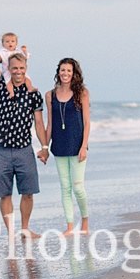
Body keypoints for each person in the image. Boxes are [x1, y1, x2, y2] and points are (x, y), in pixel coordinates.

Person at [0, 51, 49, 239]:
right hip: (1, 150)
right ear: (9, 69)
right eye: (14, 68)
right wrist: (4, 55)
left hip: (24, 150)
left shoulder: (33, 94)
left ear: (26, 69)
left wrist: (44, 148)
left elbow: (38, 123)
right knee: (5, 194)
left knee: (28, 193)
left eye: (21, 68)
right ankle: (10, 232)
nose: (18, 71)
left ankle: (25, 228)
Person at [44, 58, 91, 236]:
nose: (65, 74)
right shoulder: (50, 95)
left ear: (74, 73)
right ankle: (70, 226)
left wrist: (84, 146)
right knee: (65, 187)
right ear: (58, 72)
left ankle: (85, 220)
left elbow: (87, 122)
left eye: (69, 71)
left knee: (78, 187)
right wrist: (44, 147)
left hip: (77, 145)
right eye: (62, 70)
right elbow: (50, 124)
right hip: (59, 146)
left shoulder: (82, 93)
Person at [0, 32, 35, 99]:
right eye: (7, 41)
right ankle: (11, 92)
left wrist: (24, 51)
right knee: (8, 82)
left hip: (18, 70)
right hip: (7, 71)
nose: (10, 43)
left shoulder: (18, 51)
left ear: (16, 43)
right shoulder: (2, 52)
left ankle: (30, 88)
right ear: (2, 44)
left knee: (27, 78)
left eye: (12, 41)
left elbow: (25, 57)